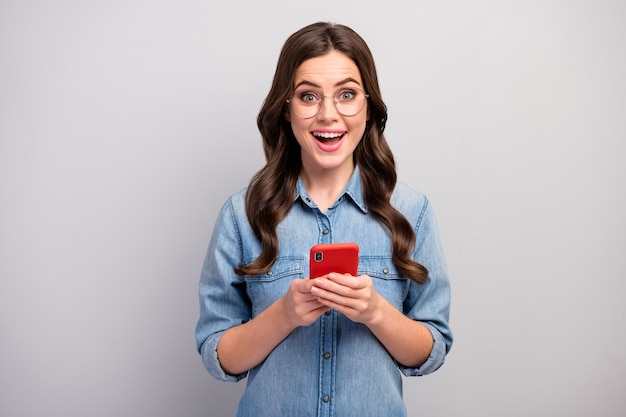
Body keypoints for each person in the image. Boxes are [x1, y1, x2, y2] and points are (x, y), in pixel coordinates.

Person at [195, 22, 452, 417]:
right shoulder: (241, 215)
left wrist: (376, 312)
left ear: (368, 106)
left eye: (346, 94)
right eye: (308, 96)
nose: (328, 115)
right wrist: (283, 315)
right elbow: (219, 356)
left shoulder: (412, 212)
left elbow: (431, 350)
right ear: (286, 108)